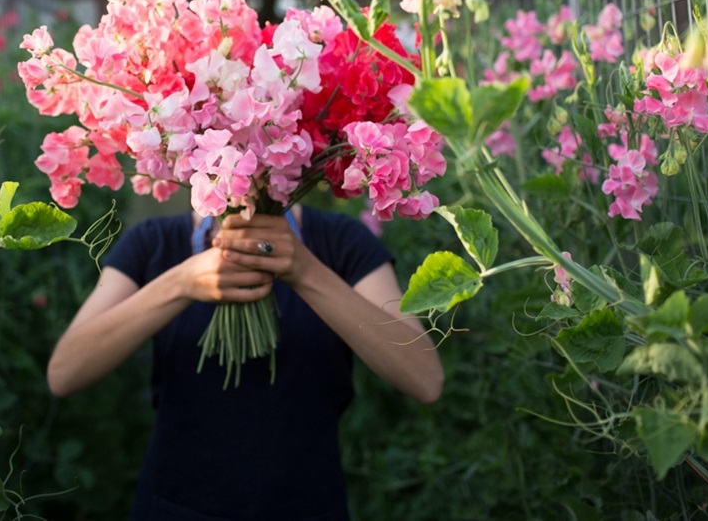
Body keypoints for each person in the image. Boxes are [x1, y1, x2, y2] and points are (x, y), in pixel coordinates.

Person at [47, 203, 445, 520]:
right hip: (177, 506)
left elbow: (425, 379)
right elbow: (65, 372)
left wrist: (305, 270)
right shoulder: (154, 243)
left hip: (309, 507)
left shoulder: (339, 242)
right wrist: (181, 282)